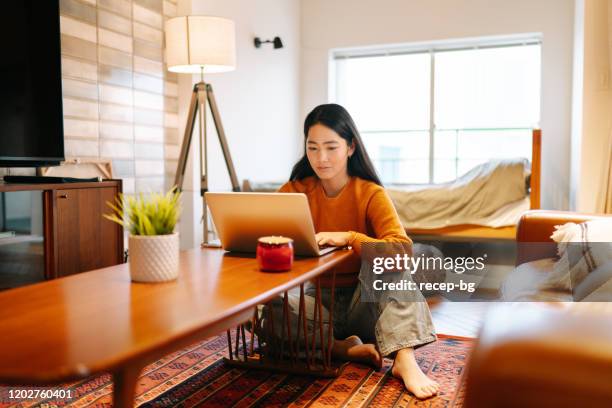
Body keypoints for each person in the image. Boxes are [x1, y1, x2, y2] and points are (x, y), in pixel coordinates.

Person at [271, 103, 439, 399]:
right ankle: (340, 347)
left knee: (393, 268)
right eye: (313, 148)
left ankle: (404, 359)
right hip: (317, 303)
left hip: (367, 307)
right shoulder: (294, 191)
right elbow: (267, 233)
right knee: (259, 309)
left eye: (331, 147)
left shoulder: (370, 192)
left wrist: (350, 237)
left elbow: (402, 251)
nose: (321, 158)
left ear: (350, 147)